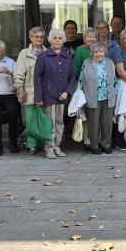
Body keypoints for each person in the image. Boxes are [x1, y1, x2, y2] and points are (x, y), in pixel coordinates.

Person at [34, 29, 76, 159]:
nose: (57, 40)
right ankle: (49, 148)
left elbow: (72, 77)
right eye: (55, 38)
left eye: (59, 38)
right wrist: (38, 98)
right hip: (48, 95)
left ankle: (57, 147)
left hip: (62, 96)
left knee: (59, 122)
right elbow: (37, 78)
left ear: (63, 40)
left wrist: (67, 92)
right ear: (50, 40)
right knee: (50, 123)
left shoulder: (68, 56)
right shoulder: (43, 56)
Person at [80, 42, 117, 155]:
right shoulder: (87, 63)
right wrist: (80, 96)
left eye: (101, 51)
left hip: (108, 96)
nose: (99, 54)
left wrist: (114, 93)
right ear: (92, 53)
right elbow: (81, 80)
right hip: (92, 97)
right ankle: (94, 145)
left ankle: (106, 145)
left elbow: (114, 80)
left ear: (104, 52)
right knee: (94, 124)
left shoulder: (110, 63)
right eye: (96, 52)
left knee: (107, 123)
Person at [14, 27, 46, 155]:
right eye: (36, 37)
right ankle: (32, 146)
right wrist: (20, 90)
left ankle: (44, 144)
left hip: (45, 93)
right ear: (31, 38)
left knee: (45, 119)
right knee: (31, 120)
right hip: (30, 92)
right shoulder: (24, 53)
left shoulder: (47, 52)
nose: (39, 39)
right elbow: (19, 74)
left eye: (41, 37)